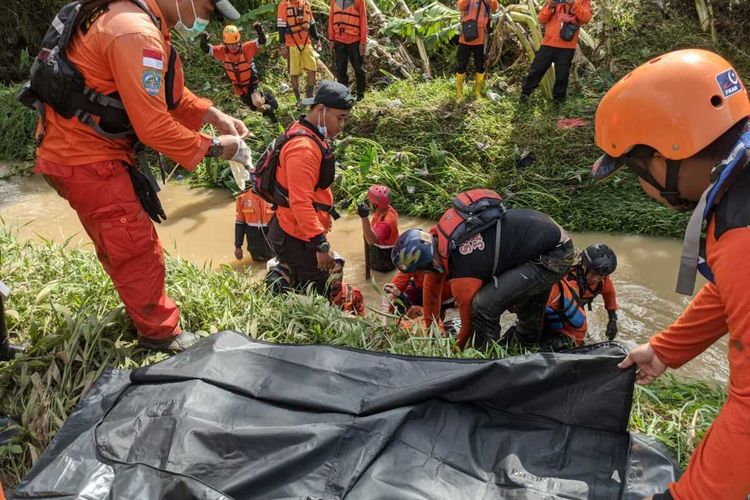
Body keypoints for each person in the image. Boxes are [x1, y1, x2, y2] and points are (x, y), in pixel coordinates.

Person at [28, 0, 250, 352]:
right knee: (134, 246)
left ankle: (140, 311)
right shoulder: (136, 32)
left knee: (119, 242)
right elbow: (154, 127)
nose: (207, 19)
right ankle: (160, 334)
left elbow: (166, 95)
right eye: (208, 9)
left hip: (77, 151)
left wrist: (212, 114)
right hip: (86, 158)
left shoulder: (138, 19)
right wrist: (214, 147)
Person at [592, 49, 750, 499]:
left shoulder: (743, 231)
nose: (643, 189)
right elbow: (731, 292)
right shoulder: (740, 182)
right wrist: (665, 350)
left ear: (664, 157)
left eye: (636, 172)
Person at [392, 194, 575, 350]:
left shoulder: (462, 271)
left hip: (554, 255)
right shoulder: (440, 239)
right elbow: (431, 293)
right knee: (529, 310)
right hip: (540, 238)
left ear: (428, 264)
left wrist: (459, 350)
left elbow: (468, 326)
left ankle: (487, 358)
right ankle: (526, 346)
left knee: (484, 305)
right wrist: (431, 334)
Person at [266, 80, 354, 295]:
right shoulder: (304, 148)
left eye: (345, 119)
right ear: (321, 110)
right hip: (298, 235)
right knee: (315, 292)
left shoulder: (306, 131)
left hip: (296, 229)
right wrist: (320, 245)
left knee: (302, 285)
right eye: (339, 118)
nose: (342, 126)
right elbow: (301, 202)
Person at [199, 23, 279, 122]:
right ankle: (269, 111)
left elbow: (261, 41)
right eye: (229, 44)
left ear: (238, 41)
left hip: (251, 82)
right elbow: (207, 49)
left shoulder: (246, 48)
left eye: (235, 43)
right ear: (225, 43)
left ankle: (266, 98)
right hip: (239, 86)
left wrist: (259, 31)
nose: (233, 46)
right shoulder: (222, 51)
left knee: (257, 102)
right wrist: (203, 41)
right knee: (253, 107)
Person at [520, 0, 592, 105]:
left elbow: (586, 17)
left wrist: (573, 3)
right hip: (548, 43)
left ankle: (558, 103)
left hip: (567, 46)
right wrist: (550, 6)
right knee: (536, 70)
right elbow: (541, 19)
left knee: (562, 76)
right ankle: (524, 96)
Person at [567, 243, 618, 340]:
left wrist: (612, 319)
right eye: (593, 273)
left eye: (601, 275)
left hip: (579, 302)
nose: (596, 279)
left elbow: (609, 295)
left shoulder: (603, 280)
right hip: (568, 303)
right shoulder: (569, 280)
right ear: (583, 265)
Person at [277, 0, 322, 104]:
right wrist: (283, 45)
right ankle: (298, 99)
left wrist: (317, 39)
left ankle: (310, 95)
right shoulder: (283, 5)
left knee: (312, 68)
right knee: (294, 73)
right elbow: (281, 26)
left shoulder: (305, 3)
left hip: (306, 42)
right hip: (292, 43)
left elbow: (312, 23)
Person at [455, 0, 498, 99]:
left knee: (480, 65)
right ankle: (459, 93)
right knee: (461, 65)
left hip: (481, 39)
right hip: (465, 38)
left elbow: (495, 7)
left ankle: (478, 93)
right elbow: (460, 6)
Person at [328, 0, 368, 101]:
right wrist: (331, 38)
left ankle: (360, 95)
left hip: (354, 39)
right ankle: (344, 96)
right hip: (338, 39)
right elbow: (331, 18)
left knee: (359, 69)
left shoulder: (359, 1)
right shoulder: (334, 1)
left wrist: (362, 42)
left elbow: (363, 20)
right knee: (341, 69)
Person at [358, 184, 399, 273]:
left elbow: (371, 240)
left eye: (370, 200)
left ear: (375, 205)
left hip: (384, 257)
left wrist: (364, 218)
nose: (368, 201)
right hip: (389, 251)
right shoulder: (387, 209)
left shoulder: (385, 222)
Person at [383, 270, 454, 318]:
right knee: (400, 297)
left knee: (435, 322)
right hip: (421, 291)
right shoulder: (414, 259)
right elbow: (392, 290)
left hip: (444, 299)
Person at [542, 275, 586, 349]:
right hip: (557, 319)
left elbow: (530, 326)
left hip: (571, 334)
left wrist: (612, 318)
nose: (594, 278)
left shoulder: (548, 291)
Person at [234, 188, 275, 262]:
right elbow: (240, 224)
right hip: (254, 244)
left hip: (273, 242)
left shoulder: (274, 196)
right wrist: (238, 246)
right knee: (257, 265)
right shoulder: (242, 198)